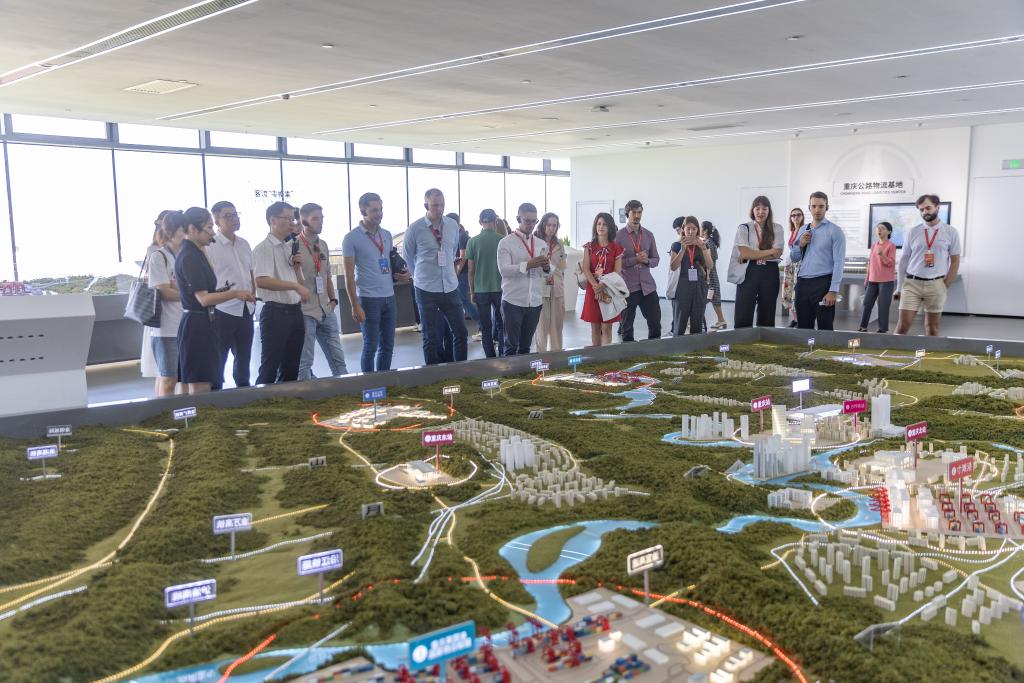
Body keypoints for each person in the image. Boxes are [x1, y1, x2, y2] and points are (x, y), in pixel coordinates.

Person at [175, 207, 255, 394]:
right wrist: (235, 294)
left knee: (201, 378)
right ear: (192, 229)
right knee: (201, 383)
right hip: (197, 324)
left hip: (203, 321)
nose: (212, 233)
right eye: (209, 228)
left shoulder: (196, 252)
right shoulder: (190, 256)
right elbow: (203, 299)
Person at [342, 192, 410, 372]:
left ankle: (383, 381)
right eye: (374, 210)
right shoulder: (351, 238)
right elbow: (348, 275)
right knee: (371, 346)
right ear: (363, 211)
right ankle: (369, 384)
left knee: (387, 346)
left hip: (389, 297)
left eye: (380, 209)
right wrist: (355, 305)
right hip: (368, 299)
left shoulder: (386, 235)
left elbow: (388, 263)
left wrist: (403, 274)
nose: (379, 214)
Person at [405, 189, 468, 365]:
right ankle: (433, 376)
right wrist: (418, 278)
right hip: (426, 289)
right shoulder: (414, 228)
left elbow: (452, 250)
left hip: (450, 286)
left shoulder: (452, 225)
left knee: (461, 332)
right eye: (435, 205)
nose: (439, 209)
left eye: (442, 205)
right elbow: (408, 257)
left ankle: (461, 372)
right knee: (430, 337)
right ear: (426, 205)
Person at [253, 201, 311, 384]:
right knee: (270, 367)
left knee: (291, 366)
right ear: (273, 220)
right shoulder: (264, 248)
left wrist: (297, 268)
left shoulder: (289, 247)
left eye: (293, 219)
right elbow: (261, 281)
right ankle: (262, 400)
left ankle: (287, 399)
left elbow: (300, 282)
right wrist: (295, 287)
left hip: (295, 311)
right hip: (275, 312)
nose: (292, 223)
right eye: (288, 219)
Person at [895, 194, 961, 336]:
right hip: (912, 284)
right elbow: (904, 260)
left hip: (936, 284)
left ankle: (929, 351)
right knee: (903, 325)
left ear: (937, 207)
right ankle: (892, 350)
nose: (925, 212)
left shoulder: (950, 232)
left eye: (928, 208)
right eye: (921, 210)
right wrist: (899, 287)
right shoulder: (913, 232)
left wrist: (945, 284)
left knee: (932, 327)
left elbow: (955, 260)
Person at [206, 201, 256, 389]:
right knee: (219, 357)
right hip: (223, 310)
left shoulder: (244, 244)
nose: (234, 219)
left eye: (236, 214)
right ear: (216, 221)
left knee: (244, 357)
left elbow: (250, 273)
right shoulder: (211, 246)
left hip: (246, 309)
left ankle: (243, 391)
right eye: (228, 216)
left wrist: (253, 295)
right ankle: (215, 394)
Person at [295, 202, 348, 380]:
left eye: (322, 218)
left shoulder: (323, 245)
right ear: (304, 221)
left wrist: (333, 300)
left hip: (326, 309)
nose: (320, 222)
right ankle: (306, 394)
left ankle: (346, 390)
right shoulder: (293, 247)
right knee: (305, 362)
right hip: (306, 311)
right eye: (315, 219)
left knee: (338, 360)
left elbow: (326, 275)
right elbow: (293, 281)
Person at [497, 203, 549, 355]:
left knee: (526, 347)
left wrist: (547, 267)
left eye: (534, 221)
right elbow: (504, 270)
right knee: (510, 346)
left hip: (535, 301)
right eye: (527, 221)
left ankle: (523, 371)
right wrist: (528, 265)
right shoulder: (505, 242)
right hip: (513, 301)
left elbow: (547, 273)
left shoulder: (541, 243)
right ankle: (509, 371)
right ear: (518, 219)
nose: (531, 225)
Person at [789, 191, 846, 330]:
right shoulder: (803, 229)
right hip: (802, 283)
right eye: (814, 206)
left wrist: (833, 290)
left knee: (825, 327)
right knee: (804, 327)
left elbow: (839, 262)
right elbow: (794, 257)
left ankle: (823, 346)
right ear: (809, 207)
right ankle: (807, 346)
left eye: (821, 206)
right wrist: (800, 244)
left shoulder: (835, 231)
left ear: (827, 207)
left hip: (823, 284)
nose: (817, 210)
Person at [148, 210, 185, 396]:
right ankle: (164, 412)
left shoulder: (188, 255)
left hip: (187, 325)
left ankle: (184, 412)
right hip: (167, 329)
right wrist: (190, 294)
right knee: (169, 379)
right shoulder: (159, 256)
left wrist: (176, 287)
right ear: (171, 231)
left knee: (186, 379)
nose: (187, 233)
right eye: (183, 229)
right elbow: (164, 292)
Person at [733, 196, 784, 328]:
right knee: (743, 311)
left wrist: (752, 254)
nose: (761, 212)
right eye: (757, 208)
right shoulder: (744, 228)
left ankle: (765, 339)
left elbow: (778, 253)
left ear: (769, 210)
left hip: (769, 272)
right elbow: (745, 253)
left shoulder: (777, 228)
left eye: (764, 209)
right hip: (748, 271)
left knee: (767, 312)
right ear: (753, 210)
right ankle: (742, 339)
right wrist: (770, 251)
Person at [614, 199, 661, 340]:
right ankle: (628, 352)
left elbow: (656, 259)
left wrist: (647, 261)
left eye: (639, 212)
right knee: (626, 328)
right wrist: (635, 259)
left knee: (655, 324)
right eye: (633, 212)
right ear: (627, 214)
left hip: (648, 287)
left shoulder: (649, 235)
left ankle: (654, 350)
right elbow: (616, 264)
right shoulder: (618, 236)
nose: (637, 216)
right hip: (628, 287)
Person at [466, 208, 505, 357]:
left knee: (485, 326)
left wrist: (472, 291)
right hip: (501, 288)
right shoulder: (502, 240)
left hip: (481, 289)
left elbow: (471, 270)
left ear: (480, 222)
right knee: (502, 324)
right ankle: (503, 353)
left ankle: (490, 357)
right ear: (495, 221)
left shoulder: (472, 241)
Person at [580, 213, 624, 346]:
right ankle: (596, 355)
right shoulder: (589, 247)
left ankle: (606, 355)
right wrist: (596, 286)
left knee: (607, 327)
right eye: (599, 224)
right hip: (593, 289)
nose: (601, 227)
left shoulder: (616, 248)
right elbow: (586, 268)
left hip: (609, 289)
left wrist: (603, 285)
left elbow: (617, 271)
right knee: (595, 327)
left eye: (604, 224)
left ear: (610, 227)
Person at [140, 211, 171, 388]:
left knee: (166, 370)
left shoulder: (159, 250)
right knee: (163, 368)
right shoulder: (155, 251)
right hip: (158, 311)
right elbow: (162, 284)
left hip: (167, 312)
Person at [670, 216, 713, 335]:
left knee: (697, 322)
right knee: (680, 323)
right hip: (682, 287)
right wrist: (682, 250)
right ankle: (677, 343)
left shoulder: (703, 244)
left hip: (699, 286)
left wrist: (703, 248)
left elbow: (710, 265)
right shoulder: (676, 245)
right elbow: (673, 267)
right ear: (683, 229)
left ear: (698, 230)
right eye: (688, 228)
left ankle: (696, 345)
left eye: (694, 229)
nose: (691, 232)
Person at [534, 212, 566, 352]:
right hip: (540, 288)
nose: (552, 228)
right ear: (543, 225)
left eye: (554, 225)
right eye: (549, 225)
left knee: (557, 325)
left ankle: (557, 354)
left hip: (556, 287)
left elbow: (562, 267)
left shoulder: (559, 244)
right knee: (541, 326)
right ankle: (541, 357)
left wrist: (560, 283)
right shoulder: (535, 242)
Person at [447, 212, 481, 340]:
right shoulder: (458, 235)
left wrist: (456, 273)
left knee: (464, 300)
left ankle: (482, 325)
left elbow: (463, 256)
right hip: (461, 273)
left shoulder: (461, 236)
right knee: (463, 301)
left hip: (463, 274)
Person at [859, 221, 897, 333]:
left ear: (889, 232)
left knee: (883, 306)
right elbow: (870, 263)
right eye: (878, 228)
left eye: (882, 228)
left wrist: (882, 255)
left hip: (886, 281)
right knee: (866, 303)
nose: (879, 230)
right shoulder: (874, 246)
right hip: (872, 280)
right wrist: (867, 279)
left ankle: (882, 329)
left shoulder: (891, 246)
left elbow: (891, 263)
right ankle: (863, 326)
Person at [701, 221, 727, 330]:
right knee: (714, 298)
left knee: (705, 299)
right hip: (712, 275)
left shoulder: (707, 243)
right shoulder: (710, 242)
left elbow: (709, 262)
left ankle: (719, 320)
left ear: (705, 230)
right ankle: (721, 320)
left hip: (709, 275)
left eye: (700, 228)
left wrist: (706, 277)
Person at [781, 208, 805, 328]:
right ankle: (795, 319)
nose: (796, 217)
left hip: (799, 265)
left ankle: (799, 319)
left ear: (802, 216)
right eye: (793, 215)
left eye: (798, 215)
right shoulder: (792, 231)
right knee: (788, 291)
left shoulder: (804, 230)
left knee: (796, 292)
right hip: (789, 265)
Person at [667, 217, 685, 335]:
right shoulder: (677, 245)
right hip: (678, 281)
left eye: (678, 229)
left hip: (691, 283)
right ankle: (675, 329)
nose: (678, 232)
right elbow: (673, 266)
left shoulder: (698, 244)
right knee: (677, 309)